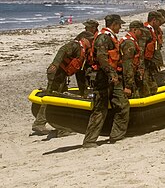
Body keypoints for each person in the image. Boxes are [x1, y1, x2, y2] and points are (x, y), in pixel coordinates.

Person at [31, 31, 94, 136]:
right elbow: (62, 50)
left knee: (60, 99)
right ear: (83, 39)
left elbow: (79, 71)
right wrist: (55, 64)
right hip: (56, 74)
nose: (92, 42)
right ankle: (39, 123)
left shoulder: (82, 49)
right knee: (51, 97)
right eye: (90, 40)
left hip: (62, 75)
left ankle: (61, 128)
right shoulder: (75, 45)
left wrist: (84, 90)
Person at [82, 14, 129, 148]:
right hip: (103, 78)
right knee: (100, 109)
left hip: (113, 79)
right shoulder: (103, 38)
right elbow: (102, 58)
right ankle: (89, 141)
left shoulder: (110, 37)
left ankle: (116, 135)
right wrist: (111, 73)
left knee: (122, 104)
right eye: (119, 24)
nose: (120, 27)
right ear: (113, 24)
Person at [139, 11, 165, 97]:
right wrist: (141, 68)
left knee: (153, 87)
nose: (160, 25)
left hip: (151, 65)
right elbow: (140, 51)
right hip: (145, 66)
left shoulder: (154, 31)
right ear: (154, 20)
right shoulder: (145, 31)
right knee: (146, 89)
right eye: (159, 22)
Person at [120, 20, 145, 99]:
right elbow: (127, 65)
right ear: (134, 30)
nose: (142, 34)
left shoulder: (132, 41)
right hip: (126, 79)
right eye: (141, 31)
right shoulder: (129, 43)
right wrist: (128, 86)